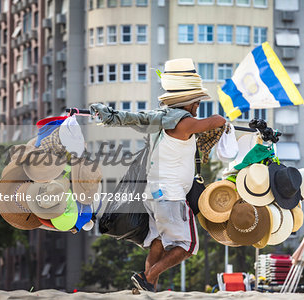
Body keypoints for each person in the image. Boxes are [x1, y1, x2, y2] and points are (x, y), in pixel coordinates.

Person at [90, 58, 226, 292]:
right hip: (171, 195)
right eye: (197, 101)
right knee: (188, 245)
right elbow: (217, 121)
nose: (198, 106)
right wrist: (225, 122)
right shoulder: (184, 123)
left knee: (159, 242)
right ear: (190, 102)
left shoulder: (159, 122)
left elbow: (134, 117)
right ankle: (146, 277)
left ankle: (146, 289)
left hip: (152, 194)